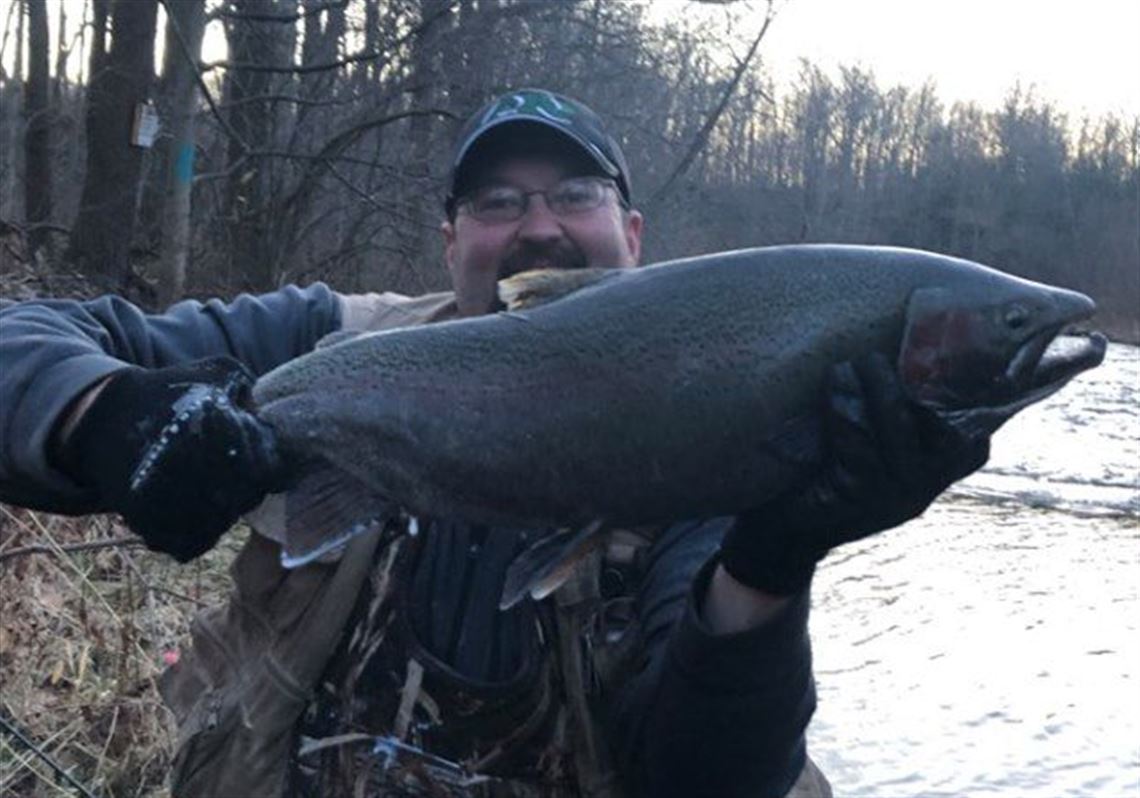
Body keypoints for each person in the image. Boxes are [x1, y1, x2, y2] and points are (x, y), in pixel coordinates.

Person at [0, 89, 987, 797]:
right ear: (449, 241)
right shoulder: (333, 341)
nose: (538, 226)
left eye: (575, 194)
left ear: (633, 235)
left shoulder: (714, 418)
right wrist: (109, 418)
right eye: (497, 202)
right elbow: (27, 338)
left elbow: (707, 777)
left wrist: (770, 566)